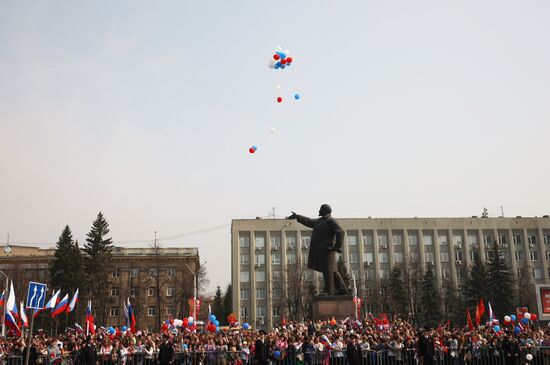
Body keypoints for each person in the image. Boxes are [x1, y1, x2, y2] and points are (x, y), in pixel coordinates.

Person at [287, 204, 348, 295]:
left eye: (320, 209)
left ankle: (329, 290)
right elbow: (308, 221)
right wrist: (297, 216)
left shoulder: (330, 221)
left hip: (327, 250)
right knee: (333, 270)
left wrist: (337, 246)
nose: (319, 211)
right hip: (322, 250)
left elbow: (340, 232)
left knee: (328, 270)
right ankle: (342, 289)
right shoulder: (320, 221)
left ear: (325, 210)